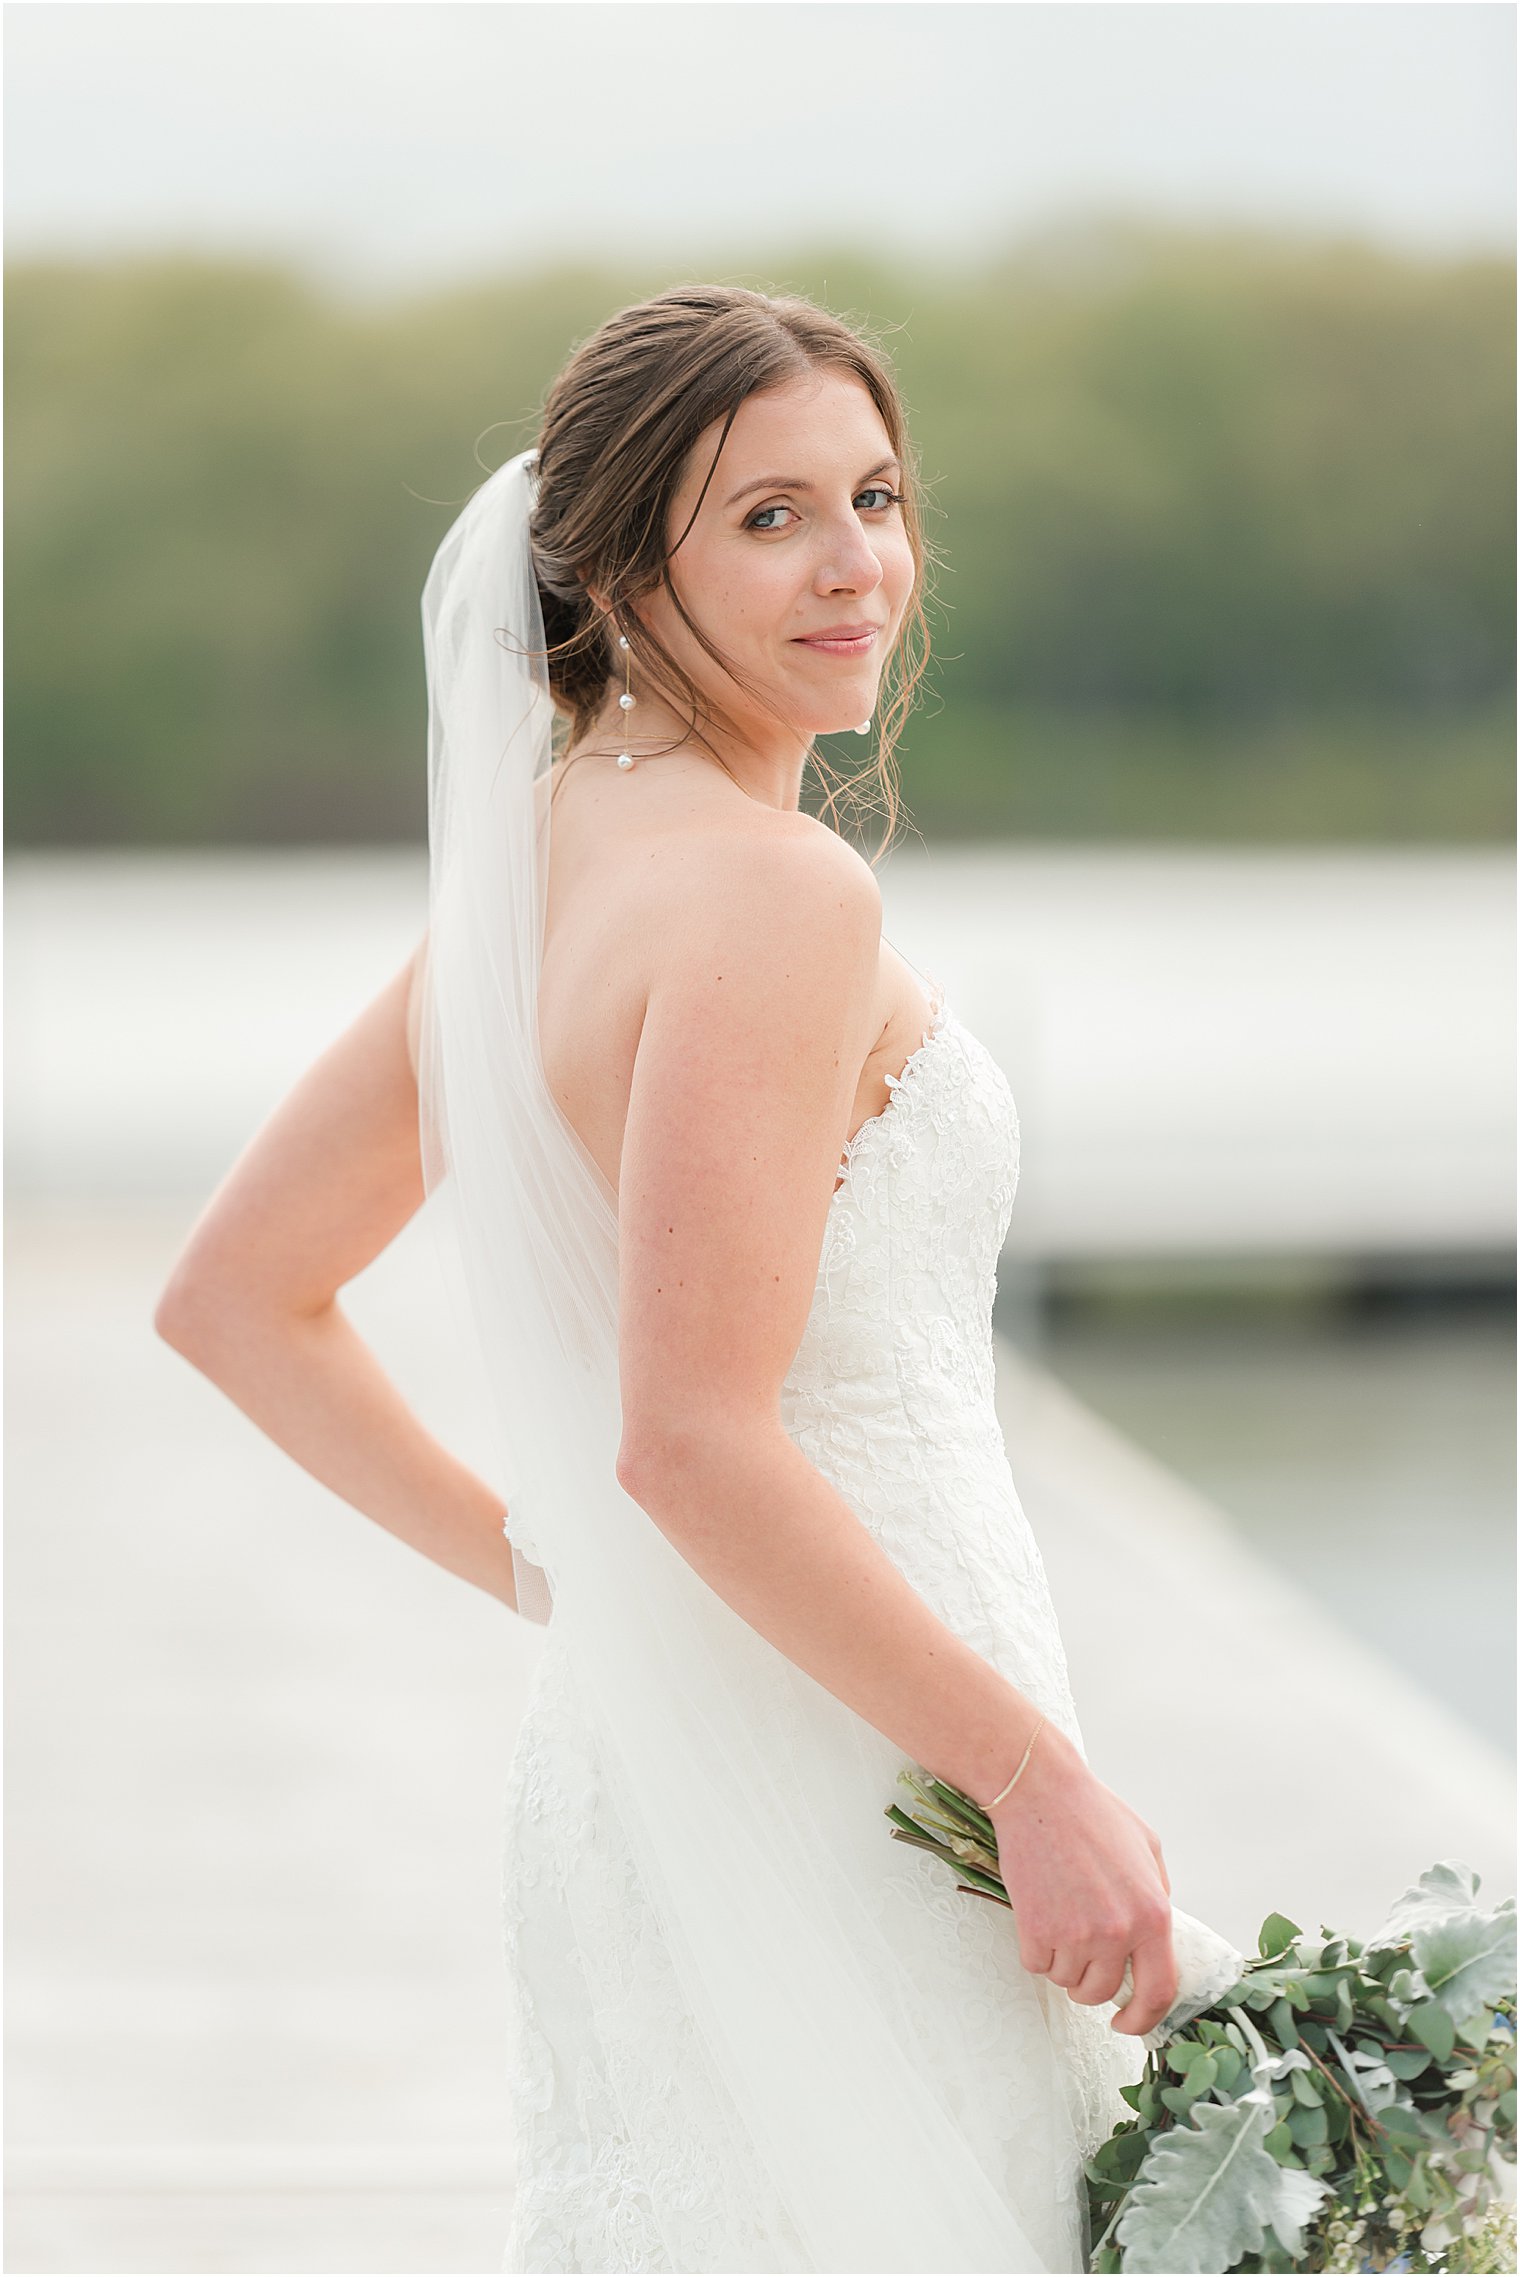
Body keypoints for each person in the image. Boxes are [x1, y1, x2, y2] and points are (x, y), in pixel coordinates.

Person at [155, 284, 1191, 2274]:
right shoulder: (772, 887)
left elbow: (233, 1294)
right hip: (859, 1763)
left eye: (873, 496)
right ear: (623, 569)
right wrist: (1032, 1777)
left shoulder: (543, 861)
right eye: (769, 516)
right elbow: (694, 1438)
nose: (855, 564)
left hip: (644, 1744)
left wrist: (568, 1585)